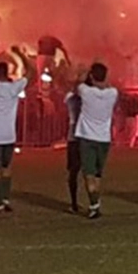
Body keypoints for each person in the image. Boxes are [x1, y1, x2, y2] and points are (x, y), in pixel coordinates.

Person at [0, 45, 32, 213]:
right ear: (7, 72)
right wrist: (20, 56)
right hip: (8, 135)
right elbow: (31, 74)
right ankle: (6, 198)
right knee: (6, 168)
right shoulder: (13, 88)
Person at [75, 62, 119, 219]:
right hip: (104, 139)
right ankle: (96, 203)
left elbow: (78, 82)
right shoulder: (112, 93)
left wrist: (86, 73)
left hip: (87, 138)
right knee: (98, 175)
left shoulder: (85, 91)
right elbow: (108, 85)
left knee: (89, 174)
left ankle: (94, 205)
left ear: (92, 76)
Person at [64, 82, 83, 212]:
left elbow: (68, 94)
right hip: (85, 136)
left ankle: (74, 203)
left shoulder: (70, 99)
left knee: (73, 172)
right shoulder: (88, 102)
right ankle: (94, 202)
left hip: (73, 138)